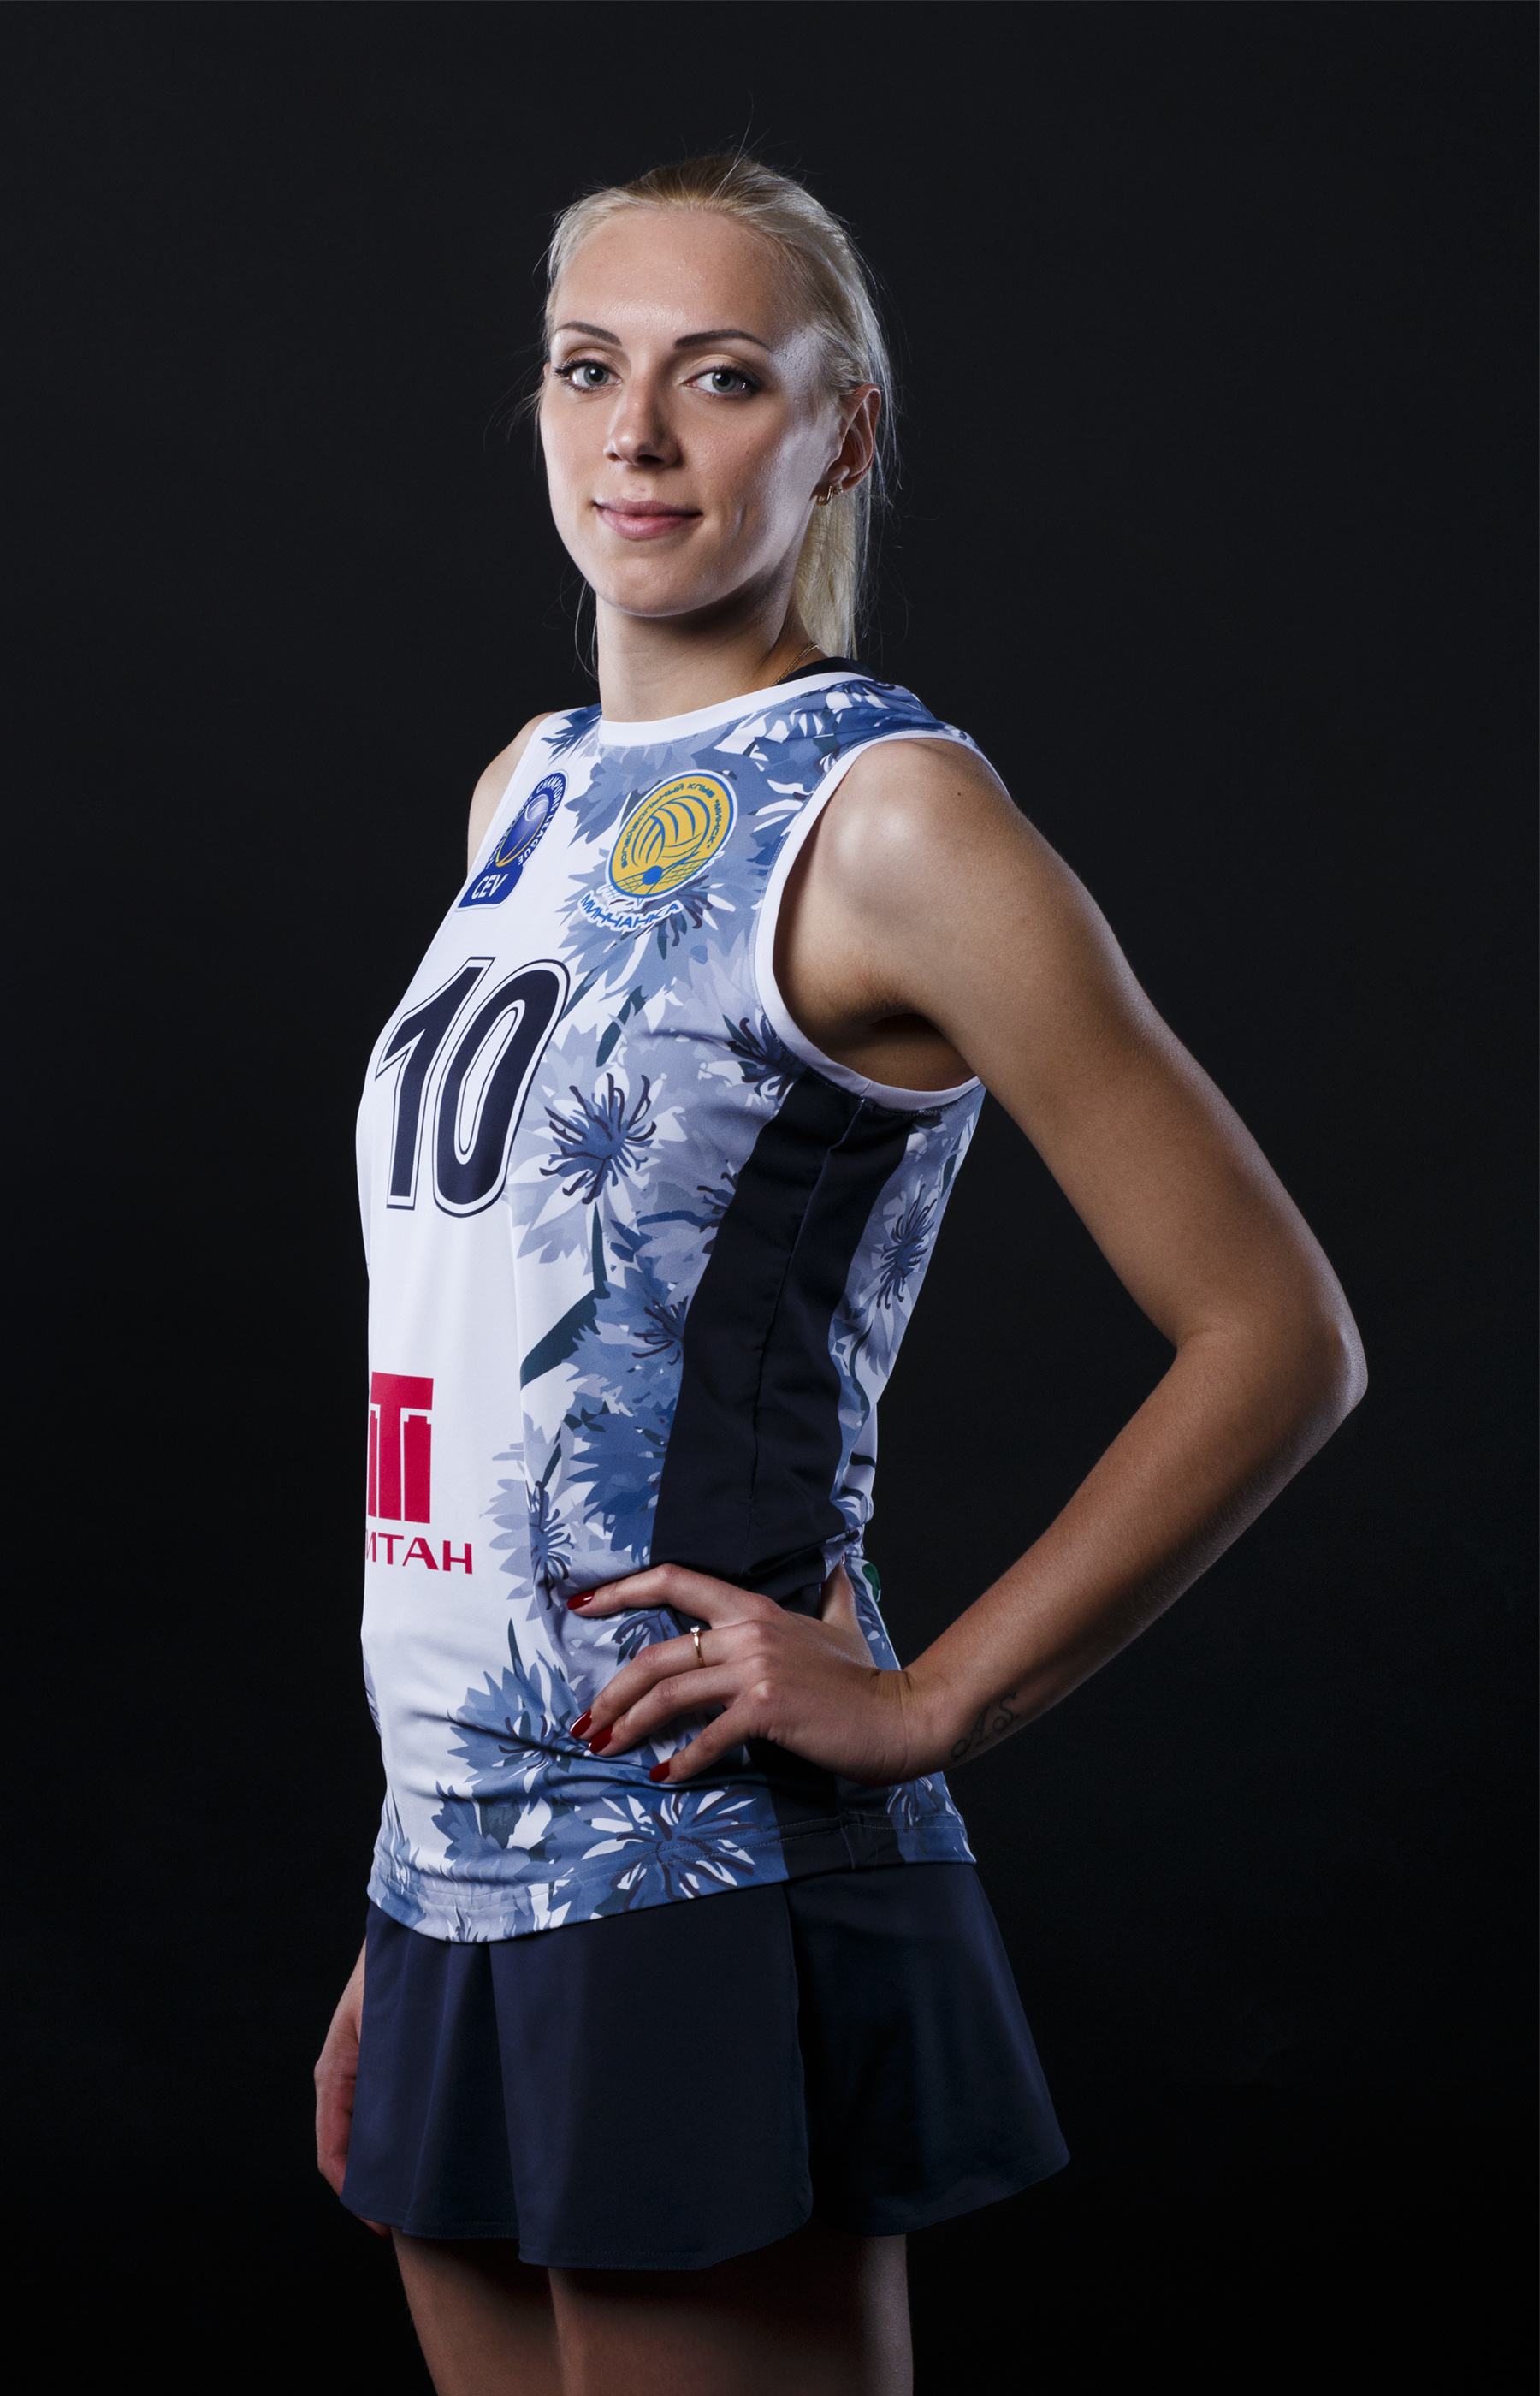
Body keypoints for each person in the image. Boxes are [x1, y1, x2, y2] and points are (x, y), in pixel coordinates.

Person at [313, 154, 1365, 2396]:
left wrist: (932, 1699)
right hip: (455, 1858)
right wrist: (414, 1884)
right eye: (588, 369)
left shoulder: (886, 813)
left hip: (692, 1851)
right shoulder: (527, 787)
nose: (635, 437)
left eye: (719, 380)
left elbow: (1278, 1335)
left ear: (841, 431)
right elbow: (482, 1365)